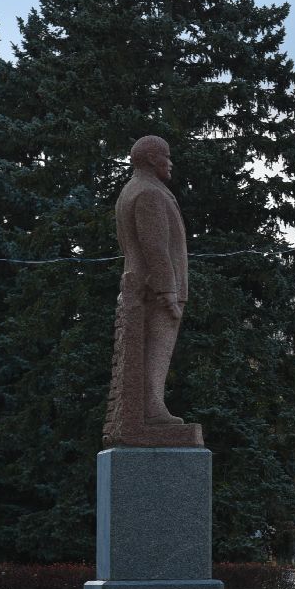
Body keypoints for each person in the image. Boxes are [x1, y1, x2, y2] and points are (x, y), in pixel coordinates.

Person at [103, 135, 200, 446]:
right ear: (150, 160)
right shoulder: (149, 193)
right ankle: (152, 409)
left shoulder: (129, 192)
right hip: (157, 289)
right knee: (157, 351)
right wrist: (168, 290)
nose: (170, 162)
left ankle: (151, 406)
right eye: (166, 156)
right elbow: (154, 246)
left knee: (151, 351)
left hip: (141, 283)